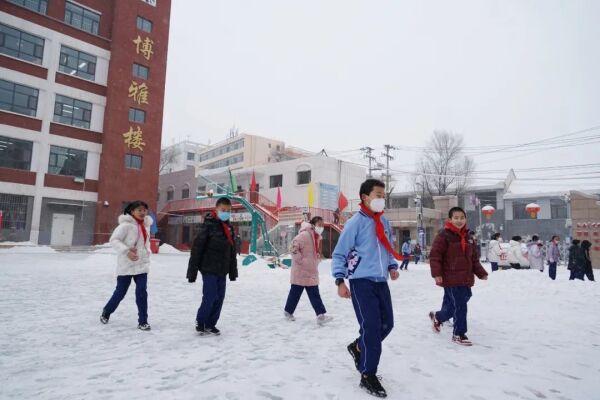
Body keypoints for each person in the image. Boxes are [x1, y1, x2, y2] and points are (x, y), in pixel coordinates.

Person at [332, 179, 401, 398]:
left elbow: (387, 247)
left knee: (387, 324)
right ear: (365, 197)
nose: (382, 199)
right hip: (361, 282)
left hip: (381, 282)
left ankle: (358, 347)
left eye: (383, 196)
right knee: (371, 327)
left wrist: (392, 266)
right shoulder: (355, 222)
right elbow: (339, 253)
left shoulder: (384, 221)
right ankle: (367, 374)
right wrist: (340, 281)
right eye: (378, 195)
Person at [428, 207, 488, 346]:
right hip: (451, 276)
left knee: (459, 301)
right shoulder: (444, 236)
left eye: (462, 218)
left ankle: (438, 317)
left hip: (465, 277)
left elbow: (473, 259)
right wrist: (437, 274)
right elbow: (435, 256)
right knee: (460, 305)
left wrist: (481, 273)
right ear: (450, 219)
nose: (459, 220)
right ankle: (459, 334)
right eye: (456, 218)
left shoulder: (469, 237)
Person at [187, 197, 239, 336]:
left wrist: (232, 272)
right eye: (223, 210)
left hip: (222, 270)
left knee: (220, 298)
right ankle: (201, 321)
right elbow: (197, 249)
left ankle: (211, 324)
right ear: (216, 209)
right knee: (210, 296)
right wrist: (192, 272)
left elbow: (231, 252)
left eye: (228, 211)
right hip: (208, 268)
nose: (225, 213)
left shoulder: (229, 228)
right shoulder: (208, 225)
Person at [100, 200, 153, 331]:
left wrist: (147, 253)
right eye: (139, 210)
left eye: (144, 210)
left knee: (142, 292)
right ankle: (107, 311)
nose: (142, 212)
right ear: (132, 211)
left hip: (141, 265)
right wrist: (126, 251)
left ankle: (143, 321)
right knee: (120, 292)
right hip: (127, 265)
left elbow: (145, 244)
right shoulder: (125, 226)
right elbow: (114, 240)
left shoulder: (146, 226)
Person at [284, 216, 333, 325]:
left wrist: (317, 258)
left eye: (322, 225)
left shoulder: (316, 237)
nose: (321, 227)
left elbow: (311, 252)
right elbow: (292, 247)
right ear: (313, 224)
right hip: (301, 271)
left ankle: (320, 316)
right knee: (295, 293)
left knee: (315, 294)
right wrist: (301, 261)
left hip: (310, 271)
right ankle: (288, 312)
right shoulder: (305, 235)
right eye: (319, 224)